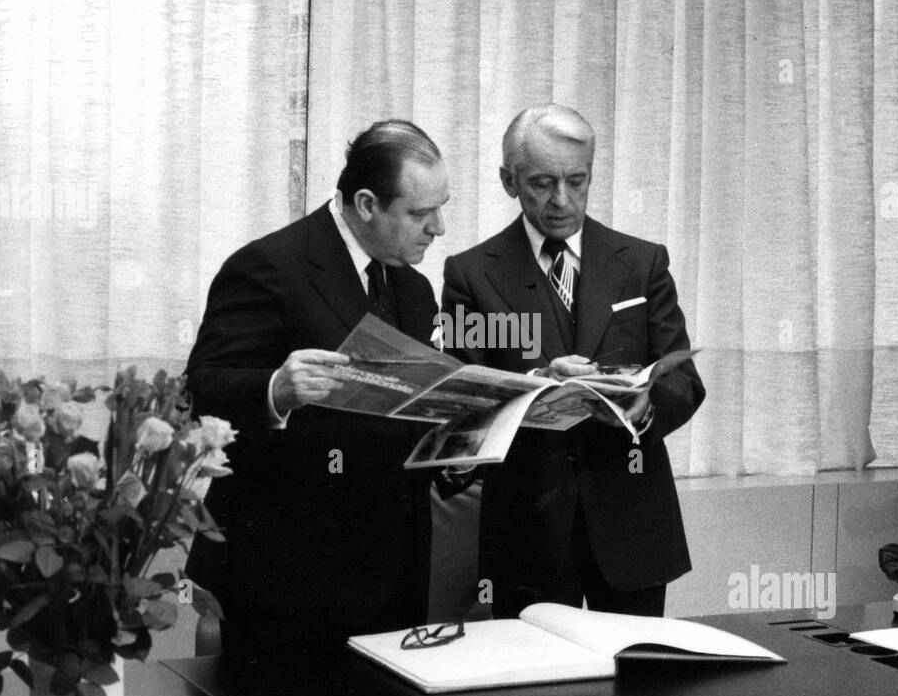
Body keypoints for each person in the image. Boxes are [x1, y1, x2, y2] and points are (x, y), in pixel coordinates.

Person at [184, 119, 448, 660]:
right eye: (420, 213)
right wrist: (276, 389)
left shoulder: (415, 288)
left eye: (440, 208)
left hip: (394, 574)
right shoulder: (268, 266)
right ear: (368, 204)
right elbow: (204, 389)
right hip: (286, 580)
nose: (438, 228)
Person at [441, 104, 704, 619]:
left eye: (577, 181)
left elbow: (685, 382)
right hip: (526, 532)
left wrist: (641, 410)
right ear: (507, 180)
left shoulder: (643, 262)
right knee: (536, 694)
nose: (562, 200)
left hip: (632, 529)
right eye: (541, 183)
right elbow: (459, 398)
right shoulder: (469, 275)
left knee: (637, 685)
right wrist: (538, 383)